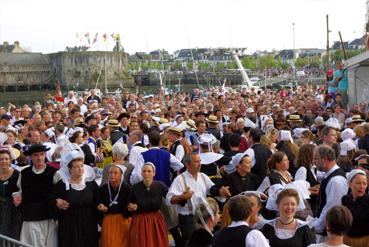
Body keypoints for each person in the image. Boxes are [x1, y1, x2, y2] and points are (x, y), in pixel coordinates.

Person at [167, 154, 220, 247]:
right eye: (196, 162)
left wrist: (220, 191)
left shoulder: (203, 176)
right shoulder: (180, 179)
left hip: (204, 217)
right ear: (187, 164)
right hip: (188, 219)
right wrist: (183, 197)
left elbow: (212, 190)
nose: (200, 164)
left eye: (200, 161)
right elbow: (170, 200)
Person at [50, 150, 99, 247]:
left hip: (88, 225)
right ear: (70, 169)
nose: (80, 169)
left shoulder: (90, 184)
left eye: (81, 166)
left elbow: (98, 201)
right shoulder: (62, 184)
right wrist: (56, 202)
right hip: (69, 226)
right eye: (76, 167)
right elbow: (51, 200)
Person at [16, 144, 59, 247]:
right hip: (30, 218)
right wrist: (17, 197)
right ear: (30, 157)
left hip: (49, 218)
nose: (39, 158)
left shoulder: (54, 173)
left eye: (42, 154)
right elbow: (20, 191)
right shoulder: (24, 173)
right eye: (36, 155)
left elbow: (60, 194)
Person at [128, 162, 169, 247]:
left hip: (156, 220)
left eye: (149, 171)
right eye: (144, 171)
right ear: (141, 173)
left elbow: (170, 197)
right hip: (140, 220)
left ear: (154, 173)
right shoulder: (135, 187)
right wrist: (132, 206)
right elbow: (129, 203)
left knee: (158, 242)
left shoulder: (160, 186)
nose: (146, 173)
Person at [313, 145, 348, 240]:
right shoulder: (330, 175)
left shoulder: (336, 180)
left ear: (324, 159)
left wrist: (318, 227)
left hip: (330, 234)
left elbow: (331, 208)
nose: (314, 162)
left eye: (316, 159)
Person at [98, 165, 132, 247]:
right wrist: (101, 207)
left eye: (115, 173)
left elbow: (128, 207)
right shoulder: (103, 189)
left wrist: (108, 209)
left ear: (121, 175)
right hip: (108, 221)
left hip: (123, 220)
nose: (112, 175)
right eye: (110, 173)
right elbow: (98, 204)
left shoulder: (127, 189)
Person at [341, 169, 369, 247]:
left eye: (364, 183)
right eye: (358, 183)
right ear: (350, 184)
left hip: (365, 241)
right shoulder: (345, 199)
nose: (361, 187)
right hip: (347, 240)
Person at [0, 146, 21, 239]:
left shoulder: (17, 174)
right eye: (1, 159)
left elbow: (21, 191)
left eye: (6, 159)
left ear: (10, 160)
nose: (4, 161)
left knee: (11, 234)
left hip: (12, 208)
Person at [294, 144, 320, 217]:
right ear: (309, 154)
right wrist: (314, 191)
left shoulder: (312, 168)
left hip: (313, 204)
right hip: (307, 206)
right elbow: (299, 190)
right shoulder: (303, 169)